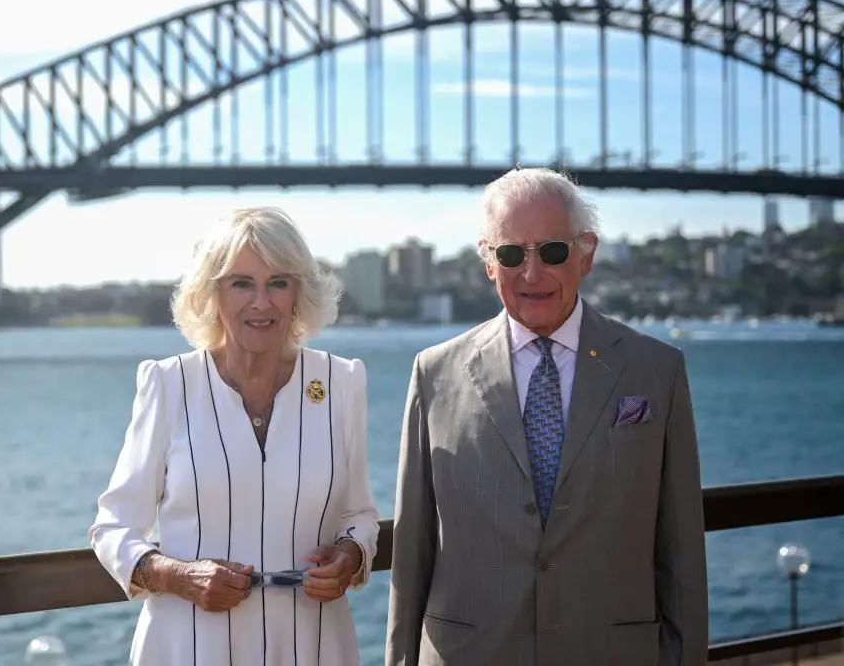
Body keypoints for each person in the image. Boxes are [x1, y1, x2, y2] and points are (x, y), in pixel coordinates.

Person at [386, 167, 708, 666]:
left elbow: (681, 549)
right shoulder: (434, 373)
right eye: (512, 253)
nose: (532, 274)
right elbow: (412, 550)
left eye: (553, 251)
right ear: (489, 262)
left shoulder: (657, 370)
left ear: (587, 254)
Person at [91, 206, 380, 665]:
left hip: (313, 644)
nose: (261, 303)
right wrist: (178, 574)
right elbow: (114, 528)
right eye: (241, 283)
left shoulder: (341, 382)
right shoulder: (168, 385)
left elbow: (359, 513)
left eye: (278, 283)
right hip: (189, 647)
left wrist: (350, 555)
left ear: (298, 293)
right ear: (213, 293)